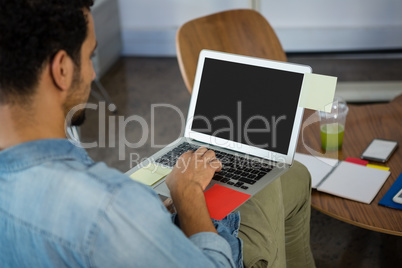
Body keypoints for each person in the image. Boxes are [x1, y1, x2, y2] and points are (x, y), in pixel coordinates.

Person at [0, 1, 316, 267]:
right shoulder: (111, 207)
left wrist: (152, 211)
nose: (94, 73)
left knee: (295, 175)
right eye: (89, 56)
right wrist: (188, 196)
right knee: (267, 169)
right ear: (62, 69)